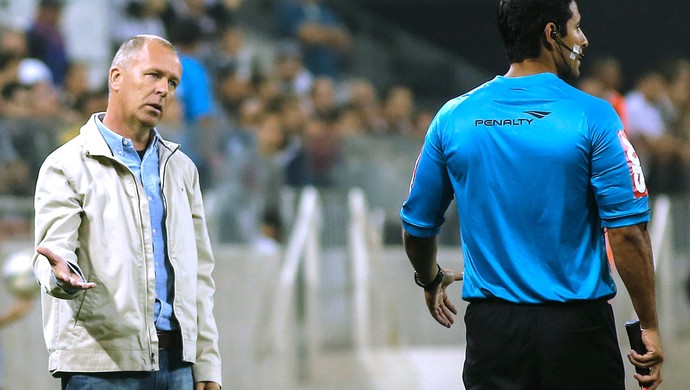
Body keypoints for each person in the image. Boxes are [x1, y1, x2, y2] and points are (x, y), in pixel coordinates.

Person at [400, 1, 664, 389]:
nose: (584, 40)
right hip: (578, 331)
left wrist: (429, 277)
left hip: (494, 335)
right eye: (577, 28)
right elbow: (627, 232)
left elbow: (418, 225)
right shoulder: (594, 116)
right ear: (551, 33)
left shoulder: (453, 117)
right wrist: (650, 326)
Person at [32, 35, 221, 389]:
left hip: (177, 365)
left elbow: (199, 277)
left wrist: (207, 363)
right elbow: (53, 254)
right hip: (100, 368)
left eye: (172, 82)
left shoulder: (181, 169)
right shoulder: (66, 165)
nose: (163, 89)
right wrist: (61, 276)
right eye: (153, 75)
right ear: (116, 77)